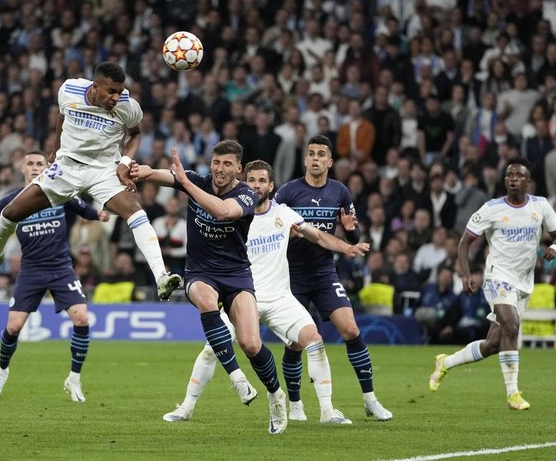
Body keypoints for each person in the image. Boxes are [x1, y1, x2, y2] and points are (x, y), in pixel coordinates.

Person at [163, 160, 371, 425]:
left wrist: (345, 247)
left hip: (280, 297)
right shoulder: (236, 215)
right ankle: (187, 407)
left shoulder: (283, 214)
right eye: (251, 180)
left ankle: (328, 411)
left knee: (314, 339)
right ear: (243, 183)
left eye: (262, 181)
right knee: (211, 349)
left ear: (271, 186)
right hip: (241, 295)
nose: (257, 185)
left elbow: (318, 236)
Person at [0, 62, 182, 300]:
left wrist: (123, 162)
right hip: (66, 169)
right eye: (111, 91)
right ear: (95, 86)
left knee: (135, 211)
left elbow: (136, 133)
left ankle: (161, 276)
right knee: (11, 212)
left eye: (120, 92)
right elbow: (62, 116)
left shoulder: (128, 107)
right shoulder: (69, 90)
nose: (115, 97)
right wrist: (56, 150)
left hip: (102, 171)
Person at [135, 141, 288, 434]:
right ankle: (237, 379)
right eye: (216, 162)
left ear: (238, 169)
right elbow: (154, 173)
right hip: (200, 272)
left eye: (227, 164)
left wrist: (185, 184)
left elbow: (222, 212)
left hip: (236, 274)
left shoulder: (246, 195)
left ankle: (276, 395)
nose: (220, 169)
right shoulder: (196, 179)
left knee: (251, 344)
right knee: (205, 300)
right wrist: (132, 170)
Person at [429, 157, 556, 411]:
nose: (513, 178)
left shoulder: (541, 206)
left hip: (524, 281)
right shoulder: (491, 209)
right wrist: (466, 273)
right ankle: (513, 394)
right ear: (505, 180)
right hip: (497, 276)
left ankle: (445, 363)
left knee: (493, 344)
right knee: (512, 325)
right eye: (509, 175)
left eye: (519, 175)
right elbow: (464, 242)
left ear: (528, 180)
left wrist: (555, 247)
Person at [273, 135, 394, 421]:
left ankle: (370, 400)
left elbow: (354, 235)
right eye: (311, 153)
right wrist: (285, 233)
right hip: (292, 276)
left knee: (351, 330)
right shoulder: (288, 193)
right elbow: (272, 227)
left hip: (324, 273)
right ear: (305, 160)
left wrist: (351, 231)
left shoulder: (340, 192)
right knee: (295, 343)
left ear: (329, 161)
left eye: (321, 154)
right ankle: (296, 405)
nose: (315, 158)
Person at [0, 151, 109, 402]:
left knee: (82, 319)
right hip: (30, 270)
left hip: (61, 267)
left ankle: (74, 378)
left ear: (47, 167)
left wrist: (98, 215)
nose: (34, 167)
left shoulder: (59, 192)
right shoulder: (12, 200)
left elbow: (80, 206)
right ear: (22, 169)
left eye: (39, 163)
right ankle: (2, 371)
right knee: (13, 327)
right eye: (30, 164)